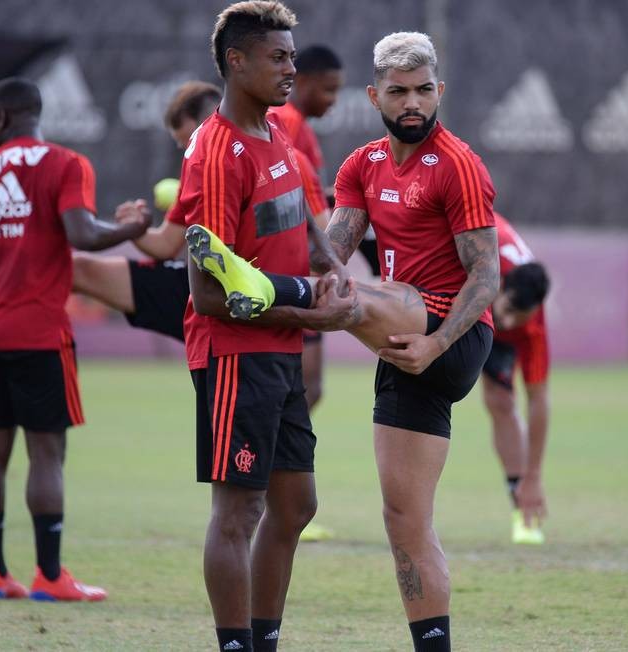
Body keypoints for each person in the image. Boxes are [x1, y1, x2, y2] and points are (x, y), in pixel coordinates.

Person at [198, 30, 500, 652]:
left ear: (439, 90)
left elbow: (487, 275)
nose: (412, 103)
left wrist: (437, 345)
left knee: (359, 294)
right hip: (398, 345)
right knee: (405, 522)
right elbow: (329, 261)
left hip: (451, 336)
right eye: (398, 93)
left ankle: (256, 285)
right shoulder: (360, 166)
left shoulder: (459, 164)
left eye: (422, 91)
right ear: (376, 96)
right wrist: (310, 287)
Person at [117, 3, 352, 650]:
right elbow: (209, 296)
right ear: (235, 62)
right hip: (233, 352)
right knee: (238, 510)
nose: (291, 68)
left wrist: (331, 265)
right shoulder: (216, 155)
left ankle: (263, 638)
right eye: (278, 57)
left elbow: (308, 222)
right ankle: (235, 644)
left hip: (280, 345)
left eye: (292, 56)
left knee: (296, 505)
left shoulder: (278, 134)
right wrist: (312, 307)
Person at [0, 77, 151, 601]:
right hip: (35, 331)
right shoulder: (65, 164)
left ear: (4, 118)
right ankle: (50, 576)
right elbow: (82, 234)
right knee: (46, 453)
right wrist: (132, 228)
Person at [69, 80, 222, 341]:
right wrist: (135, 228)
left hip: (240, 295)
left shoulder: (256, 155)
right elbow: (166, 244)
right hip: (197, 292)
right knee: (75, 267)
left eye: (188, 138)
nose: (187, 149)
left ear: (210, 121)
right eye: (182, 142)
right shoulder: (194, 170)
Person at [267, 43, 343, 412]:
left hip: (299, 269)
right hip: (293, 270)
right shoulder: (286, 123)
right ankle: (275, 464)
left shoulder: (299, 129)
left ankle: (277, 463)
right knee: (302, 390)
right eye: (329, 89)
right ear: (306, 82)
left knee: (306, 390)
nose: (333, 100)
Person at [481, 214, 551, 545]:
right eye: (507, 309)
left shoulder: (531, 329)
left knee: (501, 401)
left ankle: (520, 505)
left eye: (517, 318)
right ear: (501, 283)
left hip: (484, 309)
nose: (506, 322)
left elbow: (538, 399)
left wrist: (534, 476)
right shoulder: (484, 242)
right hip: (467, 294)